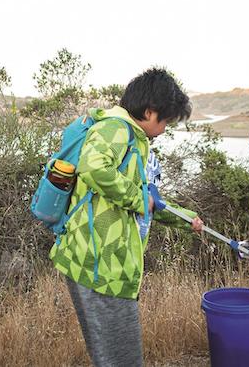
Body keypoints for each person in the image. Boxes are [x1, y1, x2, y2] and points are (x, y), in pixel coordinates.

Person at [50, 67, 204, 366]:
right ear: (149, 111)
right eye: (166, 121)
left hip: (99, 260)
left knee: (109, 354)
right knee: (122, 358)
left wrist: (185, 218)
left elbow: (148, 201)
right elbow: (93, 167)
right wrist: (136, 198)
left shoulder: (133, 139)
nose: (165, 129)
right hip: (103, 263)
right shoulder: (116, 130)